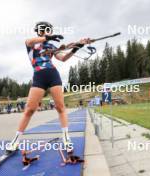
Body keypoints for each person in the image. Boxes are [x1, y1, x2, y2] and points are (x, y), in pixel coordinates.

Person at [7, 21, 91, 152]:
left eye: (49, 31)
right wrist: (48, 37)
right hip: (39, 76)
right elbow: (29, 41)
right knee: (29, 109)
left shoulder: (51, 46)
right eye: (46, 30)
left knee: (60, 107)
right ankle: (16, 141)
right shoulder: (31, 43)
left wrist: (77, 47)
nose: (48, 32)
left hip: (52, 75)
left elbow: (63, 58)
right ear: (40, 30)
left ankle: (66, 139)